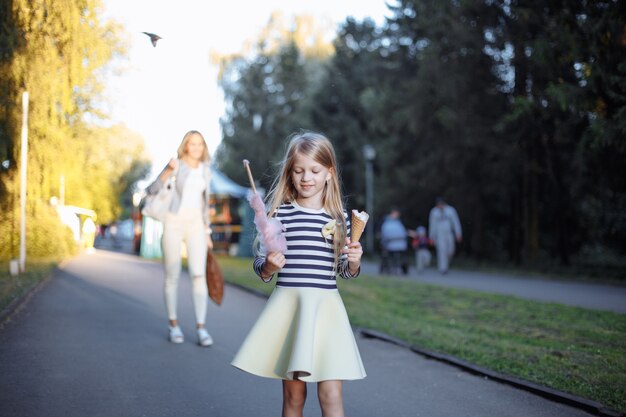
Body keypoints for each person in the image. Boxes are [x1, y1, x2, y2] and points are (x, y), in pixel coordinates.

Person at [231, 131, 365, 417]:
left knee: (331, 394)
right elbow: (261, 266)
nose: (306, 178)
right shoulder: (279, 214)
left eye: (315, 170)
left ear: (329, 173)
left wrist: (353, 262)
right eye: (298, 171)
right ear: (289, 173)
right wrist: (269, 265)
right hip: (291, 309)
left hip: (326, 311)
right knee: (294, 396)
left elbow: (344, 271)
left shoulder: (339, 218)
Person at [145, 130, 214, 346]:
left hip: (196, 225)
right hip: (173, 222)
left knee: (198, 274)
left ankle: (201, 328)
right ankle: (173, 325)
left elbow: (205, 203)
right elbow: (151, 190)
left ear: (204, 147)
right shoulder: (176, 165)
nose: (196, 148)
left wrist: (207, 231)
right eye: (192, 144)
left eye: (200, 144)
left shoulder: (206, 170)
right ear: (185, 146)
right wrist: (167, 170)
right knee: (172, 274)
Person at [428, 197, 462, 274]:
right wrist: (431, 237)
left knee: (450, 251)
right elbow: (432, 225)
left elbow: (456, 222)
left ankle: (446, 264)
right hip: (439, 235)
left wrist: (458, 233)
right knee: (442, 251)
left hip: (449, 233)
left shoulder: (451, 210)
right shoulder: (434, 212)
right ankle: (443, 268)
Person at [379, 207, 409, 274]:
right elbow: (385, 234)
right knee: (390, 256)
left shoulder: (398, 223)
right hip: (390, 244)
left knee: (401, 256)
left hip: (400, 244)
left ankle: (399, 268)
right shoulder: (386, 223)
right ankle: (393, 268)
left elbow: (403, 233)